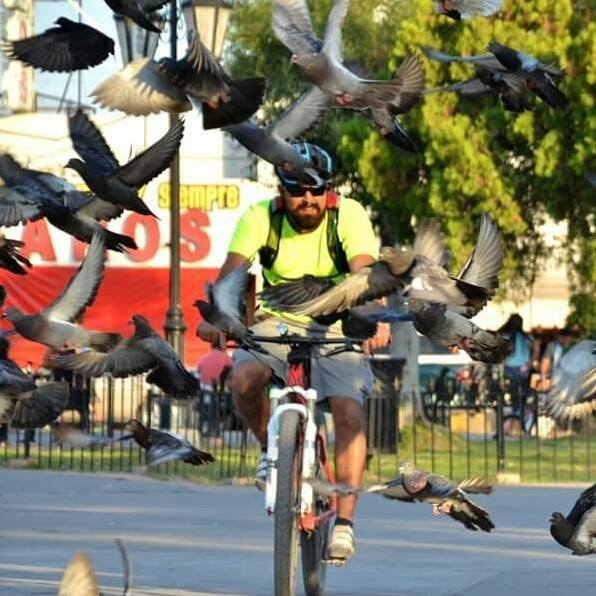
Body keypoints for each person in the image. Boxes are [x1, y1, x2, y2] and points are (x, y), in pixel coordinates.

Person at [197, 142, 390, 565]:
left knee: (349, 412)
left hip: (338, 322)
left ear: (328, 191)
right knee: (243, 379)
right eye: (296, 191)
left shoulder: (349, 215)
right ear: (281, 192)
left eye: (315, 191)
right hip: (276, 320)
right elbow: (231, 275)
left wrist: (375, 317)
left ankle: (344, 524)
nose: (307, 200)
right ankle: (273, 453)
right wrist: (217, 316)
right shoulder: (259, 217)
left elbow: (365, 276)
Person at [499, 314, 533, 433]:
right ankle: (521, 418)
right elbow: (531, 350)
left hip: (511, 368)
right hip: (524, 368)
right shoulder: (526, 337)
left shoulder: (506, 336)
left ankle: (515, 417)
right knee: (522, 395)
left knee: (514, 395)